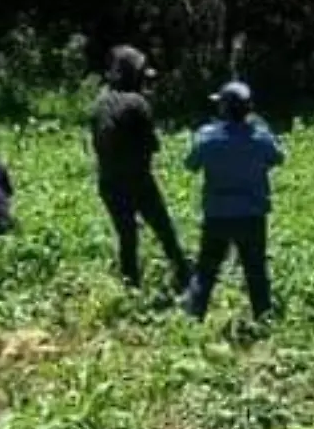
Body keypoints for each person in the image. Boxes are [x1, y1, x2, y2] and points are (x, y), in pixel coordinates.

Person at [90, 45, 191, 292]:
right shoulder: (136, 103)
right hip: (137, 180)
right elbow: (152, 145)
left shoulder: (100, 102)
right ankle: (185, 275)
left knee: (127, 236)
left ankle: (131, 287)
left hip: (108, 180)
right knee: (164, 228)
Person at [183, 82, 285, 321]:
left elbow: (190, 164)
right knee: (255, 270)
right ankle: (263, 318)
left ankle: (193, 318)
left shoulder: (208, 137)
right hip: (251, 215)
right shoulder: (261, 137)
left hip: (217, 214)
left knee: (207, 269)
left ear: (224, 109)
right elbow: (277, 158)